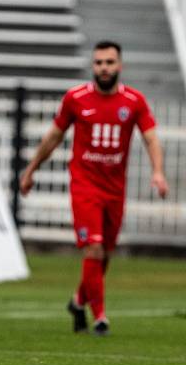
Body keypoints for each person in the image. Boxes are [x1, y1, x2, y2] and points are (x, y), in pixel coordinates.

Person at [20, 40, 169, 336]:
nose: (104, 67)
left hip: (115, 189)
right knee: (94, 248)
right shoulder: (76, 98)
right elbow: (53, 137)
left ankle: (77, 302)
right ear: (93, 66)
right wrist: (31, 169)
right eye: (99, 62)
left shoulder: (134, 101)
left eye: (109, 62)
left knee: (104, 254)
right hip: (84, 185)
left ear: (120, 65)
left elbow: (151, 138)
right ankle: (99, 316)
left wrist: (158, 172)